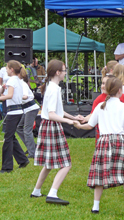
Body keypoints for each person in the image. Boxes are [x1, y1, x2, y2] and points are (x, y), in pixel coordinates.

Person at [73, 77, 124, 213]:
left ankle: (95, 207)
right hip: (121, 141)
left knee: (100, 175)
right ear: (120, 90)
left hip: (103, 141)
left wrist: (79, 126)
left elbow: (89, 126)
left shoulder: (100, 106)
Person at [31, 60, 83, 205]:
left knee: (48, 164)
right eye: (64, 71)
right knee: (66, 164)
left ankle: (36, 191)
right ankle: (52, 194)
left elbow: (58, 111)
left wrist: (74, 117)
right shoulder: (53, 89)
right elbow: (52, 114)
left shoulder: (52, 87)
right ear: (58, 72)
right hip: (52, 126)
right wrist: (69, 122)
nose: (66, 73)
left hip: (47, 126)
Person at [0, 60, 29, 173]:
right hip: (17, 111)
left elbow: (10, 95)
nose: (5, 70)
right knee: (11, 137)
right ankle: (22, 160)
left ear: (11, 69)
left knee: (7, 139)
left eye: (7, 68)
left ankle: (7, 167)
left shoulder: (12, 80)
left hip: (13, 112)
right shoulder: (17, 80)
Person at [16, 70, 40, 159]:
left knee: (27, 130)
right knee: (19, 127)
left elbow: (25, 96)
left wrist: (15, 96)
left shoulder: (22, 84)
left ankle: (32, 153)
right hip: (26, 109)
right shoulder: (18, 84)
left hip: (31, 108)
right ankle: (32, 147)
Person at [0, 65, 10, 133]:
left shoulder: (16, 69)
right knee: (5, 111)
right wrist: (1, 93)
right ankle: (5, 128)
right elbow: (0, 83)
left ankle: (12, 127)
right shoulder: (3, 70)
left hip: (12, 94)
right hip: (5, 93)